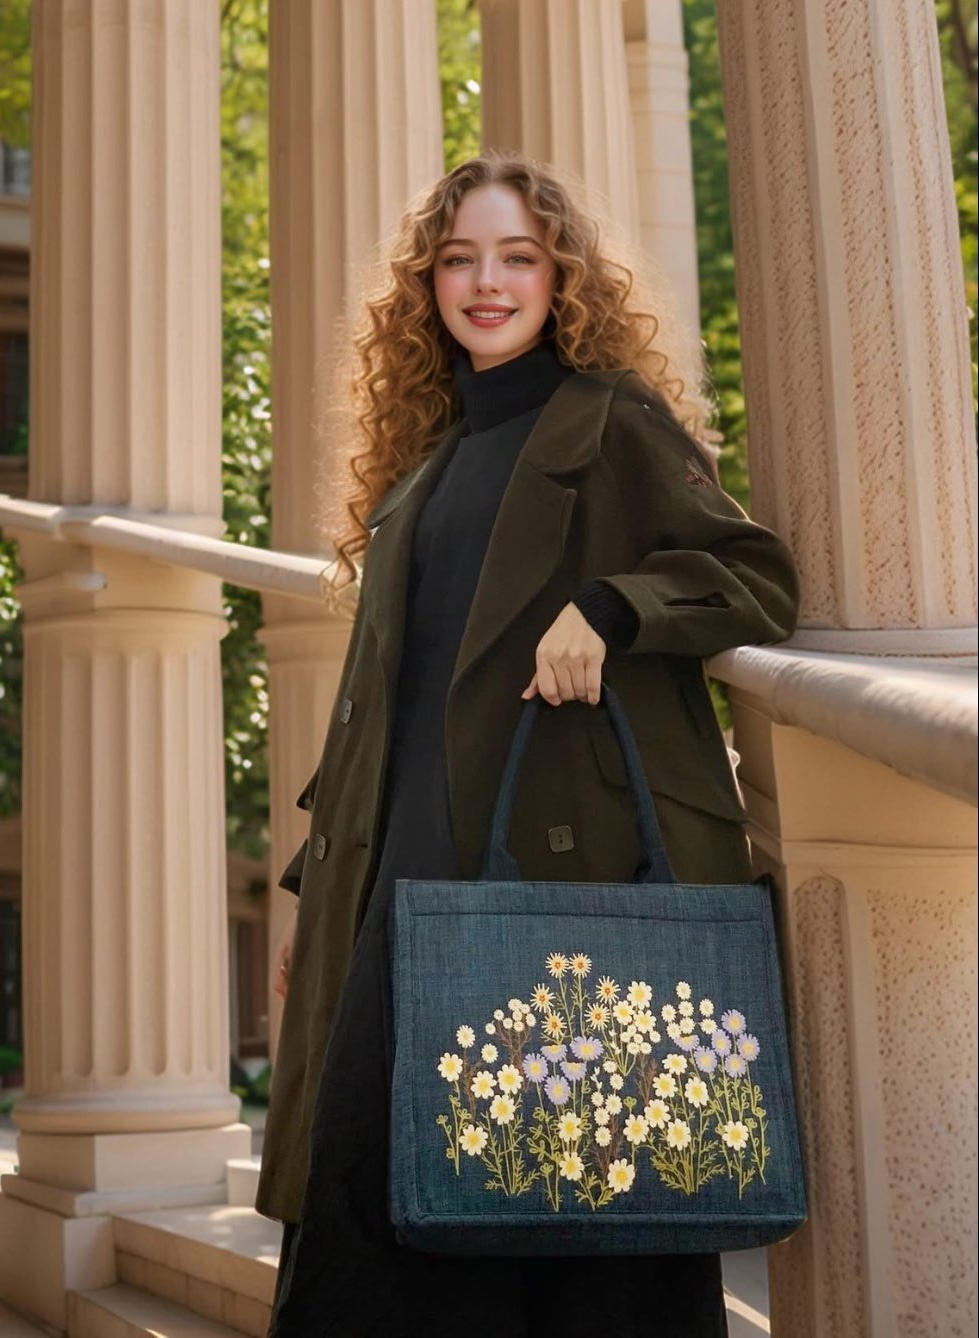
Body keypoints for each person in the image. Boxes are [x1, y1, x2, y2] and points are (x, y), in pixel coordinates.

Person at [257, 149, 800, 1337]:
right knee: (366, 1212)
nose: (486, 283)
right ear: (429, 286)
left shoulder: (609, 426)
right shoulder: (426, 466)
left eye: (516, 257)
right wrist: (312, 892)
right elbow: (378, 715)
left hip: (560, 884)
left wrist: (612, 607)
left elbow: (756, 577)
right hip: (397, 885)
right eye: (459, 260)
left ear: (563, 277)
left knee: (580, 1233)